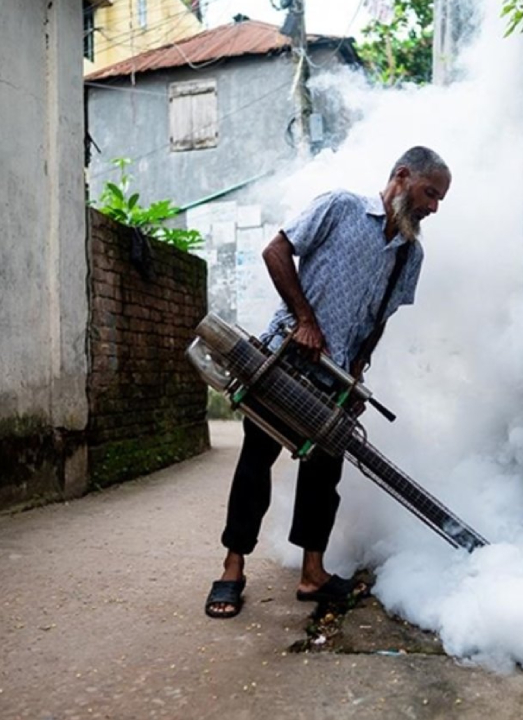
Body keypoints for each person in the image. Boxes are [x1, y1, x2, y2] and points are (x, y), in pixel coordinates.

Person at [204, 146, 452, 619]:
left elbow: (379, 320)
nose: (433, 207)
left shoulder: (409, 256)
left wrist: (358, 368)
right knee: (256, 462)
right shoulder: (340, 207)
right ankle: (232, 569)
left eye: (439, 200)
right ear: (402, 176)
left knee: (324, 475)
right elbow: (276, 250)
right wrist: (304, 319)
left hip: (335, 381)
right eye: (429, 193)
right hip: (284, 361)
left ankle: (312, 574)